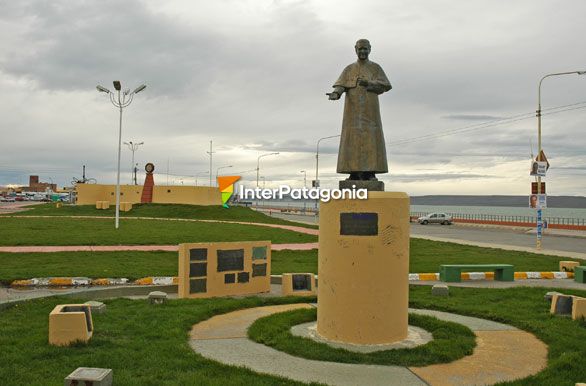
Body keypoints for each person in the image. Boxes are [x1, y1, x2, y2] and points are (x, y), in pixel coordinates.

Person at [327, 39, 391, 181]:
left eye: (365, 49)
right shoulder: (349, 69)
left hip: (370, 111)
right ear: (355, 49)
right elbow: (341, 85)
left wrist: (369, 83)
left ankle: (370, 173)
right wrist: (336, 93)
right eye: (360, 49)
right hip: (352, 112)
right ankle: (353, 173)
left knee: (371, 139)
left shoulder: (375, 68)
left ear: (370, 49)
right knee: (351, 139)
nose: (362, 51)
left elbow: (386, 85)